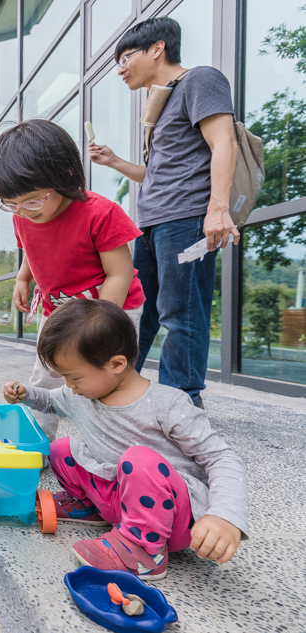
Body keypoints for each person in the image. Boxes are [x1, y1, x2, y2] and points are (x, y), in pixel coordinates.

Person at [3, 300, 248, 580]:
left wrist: (225, 516)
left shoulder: (167, 405)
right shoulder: (80, 394)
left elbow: (221, 457)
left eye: (74, 377)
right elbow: (49, 400)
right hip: (119, 497)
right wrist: (25, 394)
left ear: (116, 364)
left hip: (173, 517)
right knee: (60, 449)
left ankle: (143, 552)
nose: (69, 386)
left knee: (137, 458)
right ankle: (90, 508)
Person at [89, 17, 239, 409]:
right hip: (152, 225)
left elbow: (223, 142)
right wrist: (115, 161)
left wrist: (217, 209)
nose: (120, 69)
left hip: (187, 219)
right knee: (142, 313)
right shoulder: (163, 102)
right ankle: (127, 396)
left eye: (125, 57)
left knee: (181, 313)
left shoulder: (200, 80)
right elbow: (156, 174)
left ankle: (182, 405)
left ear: (157, 48)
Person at [0, 119, 145, 440]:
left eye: (33, 200)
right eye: (11, 204)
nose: (24, 212)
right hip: (57, 312)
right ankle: (34, 442)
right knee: (47, 376)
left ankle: (113, 443)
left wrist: (99, 325)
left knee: (104, 380)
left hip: (112, 309)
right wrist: (23, 279)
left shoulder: (101, 214)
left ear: (66, 176)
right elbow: (32, 251)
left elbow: (119, 273)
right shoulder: (25, 216)